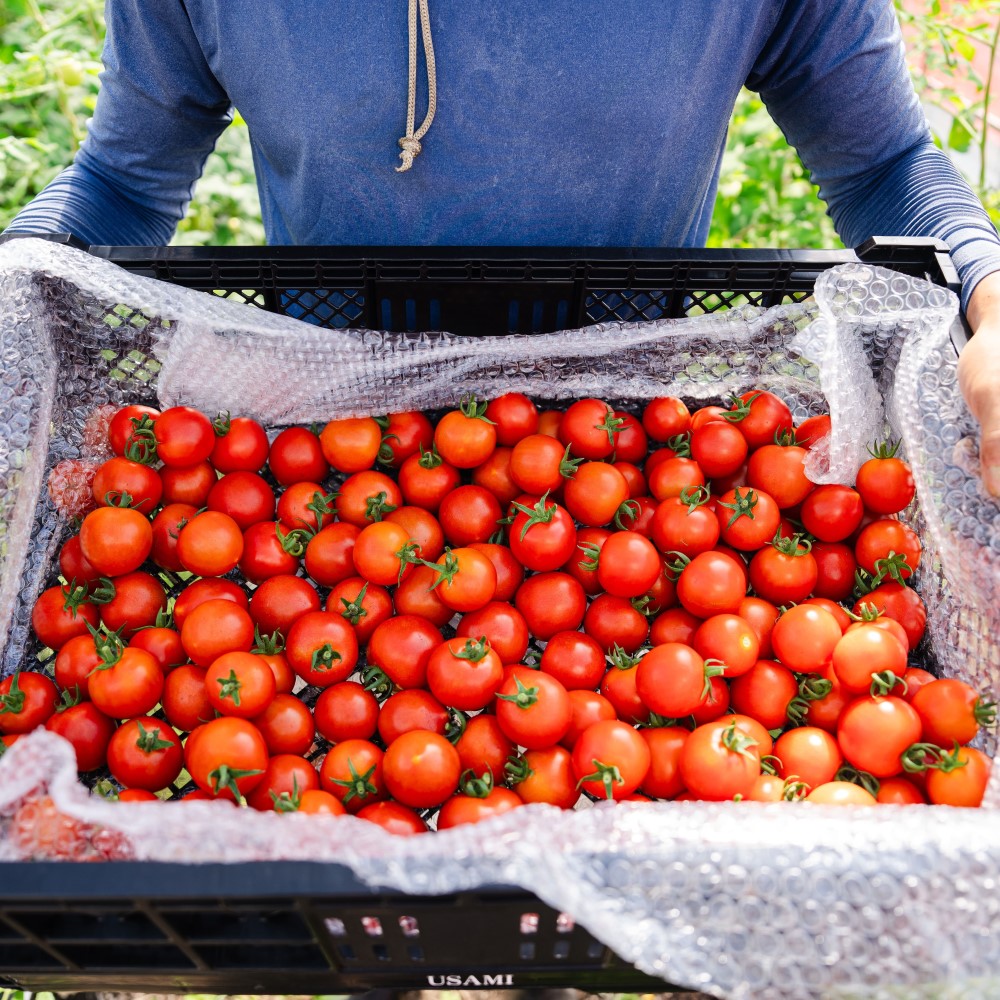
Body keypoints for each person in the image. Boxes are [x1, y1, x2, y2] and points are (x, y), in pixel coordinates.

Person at [4, 0, 1000, 495]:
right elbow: (124, 184)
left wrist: (989, 297)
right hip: (321, 457)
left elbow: (885, 167)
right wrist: (17, 279)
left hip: (632, 465)